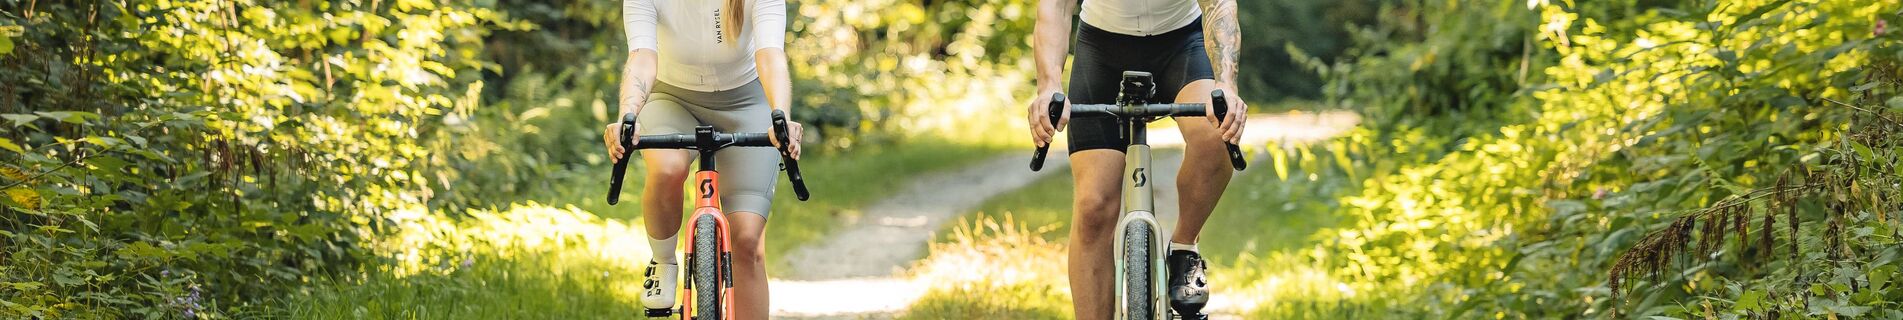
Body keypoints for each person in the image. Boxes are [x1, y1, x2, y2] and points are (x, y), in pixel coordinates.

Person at [1024, 0, 1246, 317]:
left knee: (1215, 135)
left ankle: (1184, 247)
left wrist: (1226, 84)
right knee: (1093, 206)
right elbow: (1056, 7)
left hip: (1181, 44)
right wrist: (1048, 87)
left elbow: (1219, 5)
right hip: (1102, 50)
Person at [602, 0, 801, 318]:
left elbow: (770, 55)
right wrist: (628, 116)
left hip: (747, 104)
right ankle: (663, 260)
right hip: (672, 99)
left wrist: (781, 116)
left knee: (747, 240)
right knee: (668, 168)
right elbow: (641, 58)